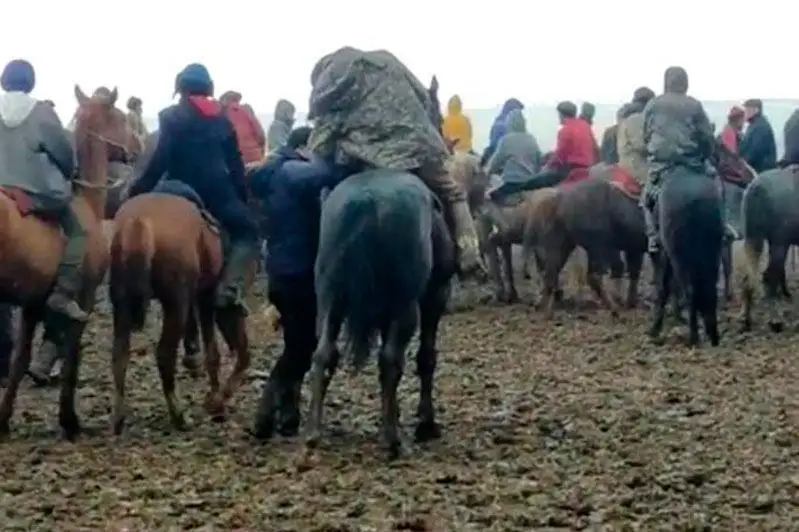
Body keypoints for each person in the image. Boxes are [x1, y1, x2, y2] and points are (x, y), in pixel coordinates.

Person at [307, 47, 484, 276]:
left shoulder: (334, 74)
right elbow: (424, 99)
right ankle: (469, 255)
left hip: (355, 152)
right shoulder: (389, 61)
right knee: (453, 193)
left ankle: (305, 265)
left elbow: (322, 118)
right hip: (412, 149)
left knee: (313, 195)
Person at [126, 63, 260, 312]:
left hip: (176, 187)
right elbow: (235, 165)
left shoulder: (170, 116)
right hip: (217, 193)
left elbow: (160, 159)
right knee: (248, 233)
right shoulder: (222, 119)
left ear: (180, 88)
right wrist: (243, 197)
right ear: (209, 88)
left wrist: (138, 190)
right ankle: (231, 287)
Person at [249, 126, 341, 437]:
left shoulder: (272, 173)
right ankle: (266, 407)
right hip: (300, 271)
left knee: (295, 341)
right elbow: (325, 174)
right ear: (304, 148)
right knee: (303, 348)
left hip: (279, 270)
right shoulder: (293, 172)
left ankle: (289, 414)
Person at [0, 59, 88, 322]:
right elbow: (63, 153)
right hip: (33, 191)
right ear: (31, 83)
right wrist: (70, 172)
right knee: (78, 231)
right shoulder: (42, 113)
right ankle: (63, 292)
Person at [642, 66, 715, 253]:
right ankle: (723, 228)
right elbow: (706, 137)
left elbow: (646, 134)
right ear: (686, 83)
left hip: (661, 166)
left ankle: (653, 236)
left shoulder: (652, 104)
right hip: (691, 163)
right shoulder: (694, 105)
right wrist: (705, 156)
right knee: (717, 187)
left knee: (646, 199)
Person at [488, 101, 597, 199]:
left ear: (562, 115)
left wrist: (547, 166)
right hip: (587, 168)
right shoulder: (585, 126)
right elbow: (593, 147)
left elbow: (559, 157)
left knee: (530, 183)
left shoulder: (565, 131)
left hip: (568, 170)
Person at [485, 108, 542, 187]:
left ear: (509, 123)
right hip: (529, 181)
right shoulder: (531, 139)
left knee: (490, 183)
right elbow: (539, 162)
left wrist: (486, 173)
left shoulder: (506, 140)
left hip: (510, 182)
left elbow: (494, 164)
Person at [220, 90, 266, 167]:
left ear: (225, 100)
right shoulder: (247, 110)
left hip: (236, 161)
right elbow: (261, 135)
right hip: (255, 158)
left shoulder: (222, 114)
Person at [481, 98, 524, 165]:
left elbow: (492, 144)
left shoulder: (499, 121)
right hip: (503, 160)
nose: (520, 114)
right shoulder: (506, 124)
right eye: (519, 111)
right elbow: (494, 145)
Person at [739, 98, 777, 173]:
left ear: (756, 110)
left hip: (761, 172)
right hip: (756, 169)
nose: (745, 112)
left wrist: (741, 164)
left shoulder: (761, 127)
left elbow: (755, 152)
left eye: (747, 110)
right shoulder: (755, 124)